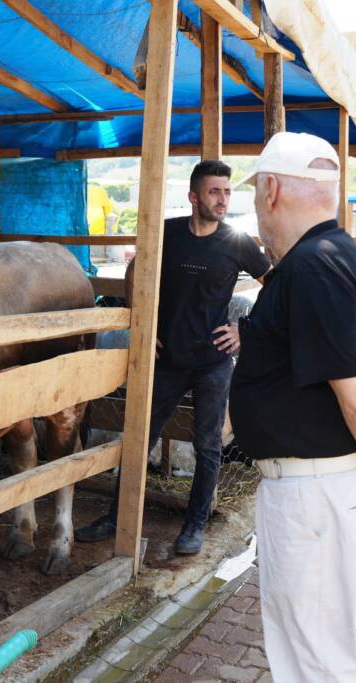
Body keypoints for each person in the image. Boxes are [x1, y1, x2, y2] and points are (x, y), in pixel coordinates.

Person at [229, 131, 356, 682]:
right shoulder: (343, 257)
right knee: (315, 648)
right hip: (326, 488)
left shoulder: (311, 268)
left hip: (314, 496)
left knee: (312, 659)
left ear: (269, 190)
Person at [75, 159, 271, 555]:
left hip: (213, 362)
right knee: (139, 437)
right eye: (215, 191)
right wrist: (142, 325)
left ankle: (194, 524)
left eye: (228, 192)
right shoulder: (167, 233)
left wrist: (243, 330)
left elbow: (277, 286)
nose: (223, 199)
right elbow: (135, 273)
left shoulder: (238, 241)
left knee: (208, 444)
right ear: (194, 196)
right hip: (166, 360)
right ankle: (117, 517)